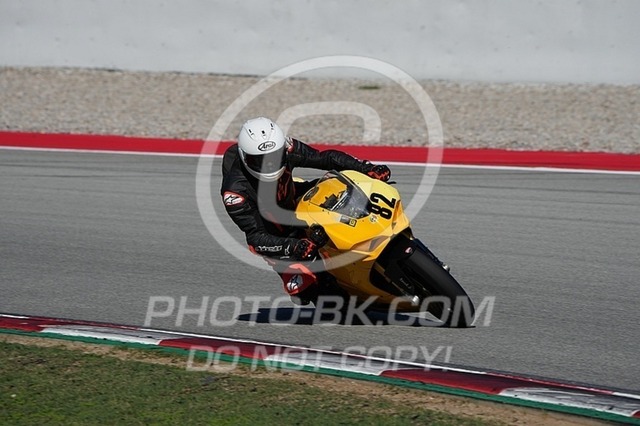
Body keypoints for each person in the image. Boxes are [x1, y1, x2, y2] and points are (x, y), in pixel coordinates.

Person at [220, 117, 391, 304]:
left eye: (275, 156)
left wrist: (367, 168)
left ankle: (375, 231)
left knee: (341, 185)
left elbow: (325, 158)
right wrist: (293, 246)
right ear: (245, 157)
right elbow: (256, 238)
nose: (270, 165)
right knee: (303, 289)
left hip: (293, 198)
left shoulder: (287, 147)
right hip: (275, 232)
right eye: (259, 160)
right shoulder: (235, 193)